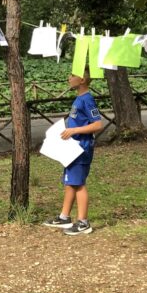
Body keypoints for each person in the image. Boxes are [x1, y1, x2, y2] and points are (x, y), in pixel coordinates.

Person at [43, 68, 102, 235]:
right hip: (71, 149)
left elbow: (97, 124)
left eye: (73, 75)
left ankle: (83, 222)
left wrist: (74, 131)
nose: (69, 78)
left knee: (78, 184)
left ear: (82, 80)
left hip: (80, 149)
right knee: (71, 182)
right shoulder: (79, 99)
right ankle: (64, 217)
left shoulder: (87, 100)